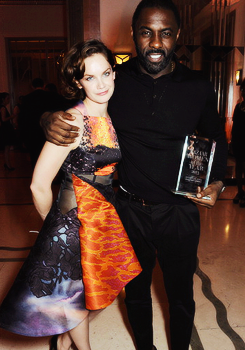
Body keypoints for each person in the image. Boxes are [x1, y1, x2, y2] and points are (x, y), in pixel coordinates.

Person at [40, 1, 228, 350]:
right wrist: (48, 118)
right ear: (133, 34)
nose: (155, 42)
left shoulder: (198, 85)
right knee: (137, 294)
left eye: (166, 33)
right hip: (129, 210)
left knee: (181, 296)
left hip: (179, 211)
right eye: (146, 32)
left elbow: (216, 137)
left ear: (178, 35)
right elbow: (78, 104)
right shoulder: (115, 81)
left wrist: (216, 181)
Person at [0, 39, 142, 350]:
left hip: (101, 217)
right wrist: (56, 228)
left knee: (106, 287)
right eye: (90, 77)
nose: (101, 84)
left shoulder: (109, 115)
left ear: (114, 73)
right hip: (72, 223)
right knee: (75, 298)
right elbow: (38, 184)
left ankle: (62, 341)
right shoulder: (73, 120)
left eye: (105, 73)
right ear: (78, 82)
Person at [231, 78, 245, 207]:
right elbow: (235, 126)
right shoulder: (238, 107)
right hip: (239, 141)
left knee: (242, 167)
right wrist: (232, 141)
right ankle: (240, 191)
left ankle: (242, 193)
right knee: (239, 167)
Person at [0, 92, 15, 170]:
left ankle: (7, 164)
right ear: (3, 99)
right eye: (7, 98)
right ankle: (8, 165)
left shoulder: (3, 107)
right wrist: (12, 116)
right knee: (6, 148)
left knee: (7, 148)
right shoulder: (3, 108)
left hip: (5, 129)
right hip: (6, 129)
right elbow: (3, 119)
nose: (8, 100)